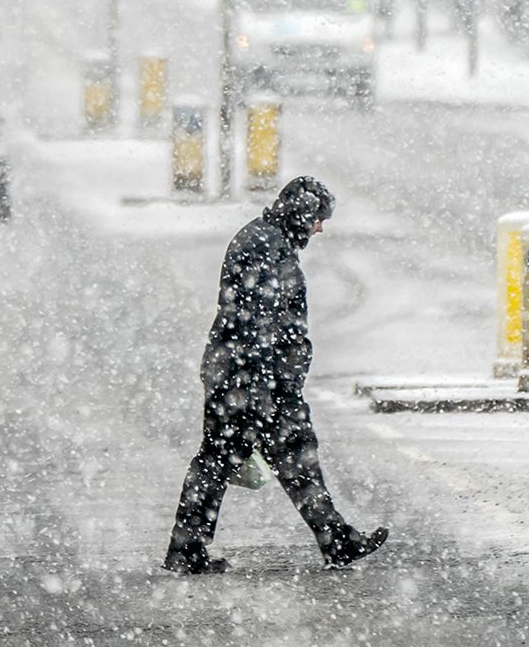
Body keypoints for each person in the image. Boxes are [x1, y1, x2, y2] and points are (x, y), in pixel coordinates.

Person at [163, 176, 388, 573]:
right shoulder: (263, 246)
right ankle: (187, 551)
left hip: (254, 379)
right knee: (225, 460)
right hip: (248, 381)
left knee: (285, 458)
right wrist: (265, 389)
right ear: (303, 215)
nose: (321, 227)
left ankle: (335, 540)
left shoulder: (271, 242)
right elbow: (256, 325)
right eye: (319, 218)